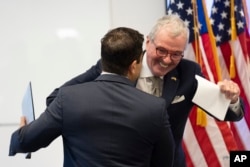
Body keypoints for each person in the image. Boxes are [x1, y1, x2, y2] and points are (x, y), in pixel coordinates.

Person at [45, 15, 245, 167]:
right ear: (148, 42)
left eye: (176, 54)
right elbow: (57, 99)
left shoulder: (187, 73)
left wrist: (232, 97)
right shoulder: (117, 64)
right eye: (162, 50)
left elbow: (229, 112)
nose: (167, 60)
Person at [9, 27, 175, 167]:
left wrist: (23, 131)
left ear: (103, 59)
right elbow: (165, 162)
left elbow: (24, 142)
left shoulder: (68, 99)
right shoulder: (156, 108)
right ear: (133, 66)